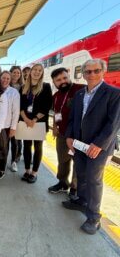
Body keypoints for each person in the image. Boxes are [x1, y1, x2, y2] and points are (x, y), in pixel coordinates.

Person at [64, 59, 120, 235]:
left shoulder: (113, 93)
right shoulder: (80, 94)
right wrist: (69, 136)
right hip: (79, 143)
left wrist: (99, 144)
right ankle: (81, 200)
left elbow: (114, 123)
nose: (92, 74)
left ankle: (94, 217)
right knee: (80, 173)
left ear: (103, 71)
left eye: (96, 71)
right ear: (83, 73)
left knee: (94, 180)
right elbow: (73, 118)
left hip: (99, 147)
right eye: (88, 71)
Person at [48, 68, 83, 197]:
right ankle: (62, 183)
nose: (62, 81)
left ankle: (75, 189)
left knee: (78, 162)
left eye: (64, 78)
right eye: (58, 80)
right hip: (62, 134)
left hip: (79, 136)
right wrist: (55, 126)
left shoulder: (81, 90)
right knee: (62, 160)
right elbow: (57, 112)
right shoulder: (56, 96)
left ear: (69, 76)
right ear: (54, 82)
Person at [19, 63, 52, 183]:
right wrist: (26, 119)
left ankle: (34, 173)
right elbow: (20, 106)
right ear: (30, 72)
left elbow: (47, 106)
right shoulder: (23, 87)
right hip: (25, 122)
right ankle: (27, 170)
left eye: (40, 70)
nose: (37, 72)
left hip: (39, 122)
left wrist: (34, 119)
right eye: (35, 70)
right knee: (27, 147)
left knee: (38, 148)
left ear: (42, 73)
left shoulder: (46, 86)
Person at [0, 71, 20, 178]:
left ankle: (1, 169)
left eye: (7, 78)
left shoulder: (14, 92)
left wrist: (13, 128)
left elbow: (16, 112)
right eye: (3, 78)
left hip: (7, 126)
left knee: (4, 148)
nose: (5, 80)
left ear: (10, 80)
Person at [9, 65, 24, 166]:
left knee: (17, 139)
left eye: (18, 72)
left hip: (19, 116)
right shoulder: (6, 85)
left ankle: (16, 157)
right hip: (8, 116)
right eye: (14, 72)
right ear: (10, 73)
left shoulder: (23, 86)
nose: (16, 74)